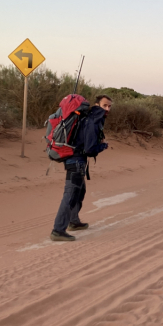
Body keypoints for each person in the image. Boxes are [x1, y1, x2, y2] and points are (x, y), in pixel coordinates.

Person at [50, 94, 113, 241]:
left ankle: (73, 221)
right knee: (70, 195)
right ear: (97, 105)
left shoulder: (89, 117)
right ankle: (58, 230)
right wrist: (103, 145)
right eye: (105, 105)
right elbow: (90, 148)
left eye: (109, 106)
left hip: (75, 159)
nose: (108, 109)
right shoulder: (93, 120)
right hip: (76, 161)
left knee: (80, 191)